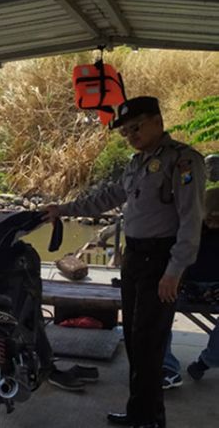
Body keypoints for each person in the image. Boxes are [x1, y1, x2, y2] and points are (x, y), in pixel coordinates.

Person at [44, 96, 206, 428]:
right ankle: (142, 415)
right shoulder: (135, 164)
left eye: (136, 127)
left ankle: (147, 419)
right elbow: (105, 198)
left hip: (161, 262)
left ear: (158, 123)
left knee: (149, 343)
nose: (130, 135)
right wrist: (63, 209)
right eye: (125, 131)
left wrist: (174, 271)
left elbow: (191, 223)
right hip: (134, 259)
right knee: (134, 340)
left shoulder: (184, 161)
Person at [162, 187, 219, 389]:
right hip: (185, 288)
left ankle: (197, 363)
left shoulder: (187, 226)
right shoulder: (187, 228)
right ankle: (173, 366)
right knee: (156, 309)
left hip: (190, 289)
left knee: (158, 311)